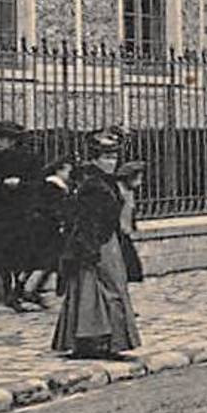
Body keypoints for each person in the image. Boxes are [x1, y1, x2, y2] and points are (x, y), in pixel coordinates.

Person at [51, 129, 141, 360]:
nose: (111, 162)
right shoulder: (91, 183)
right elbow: (84, 218)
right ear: (94, 158)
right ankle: (101, 342)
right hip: (96, 242)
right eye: (106, 157)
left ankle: (98, 341)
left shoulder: (103, 181)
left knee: (100, 290)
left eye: (113, 157)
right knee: (102, 291)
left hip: (107, 241)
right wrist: (90, 248)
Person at [0, 120, 39, 312]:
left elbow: (37, 185)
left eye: (4, 139)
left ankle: (18, 290)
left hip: (21, 212)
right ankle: (7, 291)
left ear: (13, 141)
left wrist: (20, 183)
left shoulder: (29, 159)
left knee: (22, 253)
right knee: (1, 252)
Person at [26, 156, 75, 305]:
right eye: (68, 171)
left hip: (52, 228)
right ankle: (29, 290)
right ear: (59, 170)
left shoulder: (61, 186)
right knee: (45, 261)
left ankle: (34, 289)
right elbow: (52, 208)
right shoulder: (51, 186)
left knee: (51, 262)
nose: (70, 175)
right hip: (47, 228)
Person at [114, 160, 147, 284]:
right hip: (116, 233)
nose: (140, 183)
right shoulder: (117, 191)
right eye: (137, 178)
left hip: (124, 233)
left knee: (132, 267)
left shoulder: (129, 192)